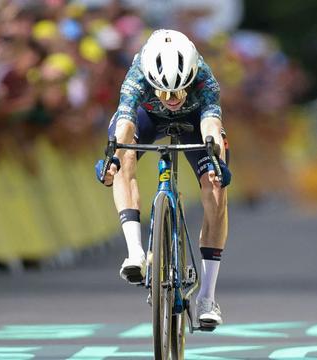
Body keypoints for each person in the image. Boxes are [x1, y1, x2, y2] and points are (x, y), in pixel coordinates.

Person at [95, 29, 231, 329]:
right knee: (122, 155)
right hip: (147, 118)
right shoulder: (137, 75)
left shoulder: (205, 79)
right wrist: (113, 157)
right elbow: (126, 120)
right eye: (165, 92)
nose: (172, 99)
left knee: (216, 186)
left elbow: (211, 123)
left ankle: (207, 297)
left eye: (180, 91)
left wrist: (215, 158)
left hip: (195, 121)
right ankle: (135, 253)